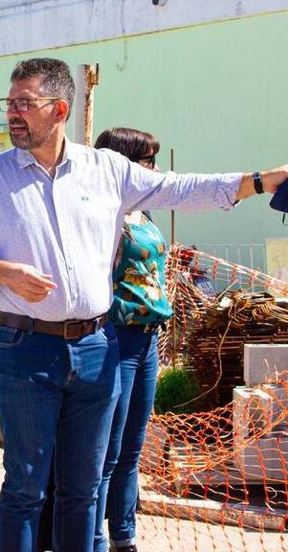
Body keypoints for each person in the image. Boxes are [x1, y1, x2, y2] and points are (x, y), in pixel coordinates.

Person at [0, 56, 288, 552]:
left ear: (59, 109)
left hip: (96, 348)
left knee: (82, 490)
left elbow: (179, 188)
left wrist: (256, 181)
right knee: (27, 488)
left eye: (25, 104)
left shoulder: (106, 171)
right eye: (9, 103)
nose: (12, 114)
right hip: (24, 349)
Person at [91, 127, 169, 552]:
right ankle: (95, 538)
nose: (154, 170)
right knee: (108, 449)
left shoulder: (145, 212)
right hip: (115, 338)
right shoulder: (108, 214)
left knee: (132, 450)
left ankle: (125, 536)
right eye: (146, 161)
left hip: (147, 341)